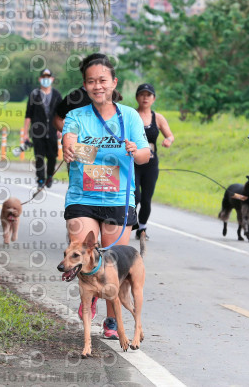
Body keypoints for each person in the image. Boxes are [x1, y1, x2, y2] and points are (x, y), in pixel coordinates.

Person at [62, 54, 150, 339]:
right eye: (91, 81)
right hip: (82, 198)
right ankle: (90, 294)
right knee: (85, 252)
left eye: (102, 80)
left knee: (112, 265)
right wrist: (71, 148)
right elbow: (70, 143)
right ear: (85, 86)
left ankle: (112, 321)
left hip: (118, 200)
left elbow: (145, 156)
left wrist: (133, 150)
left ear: (113, 82)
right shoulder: (77, 116)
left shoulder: (130, 116)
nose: (97, 86)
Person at [133, 83, 175, 240]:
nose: (145, 98)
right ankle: (130, 221)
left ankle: (142, 228)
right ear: (137, 97)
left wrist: (168, 141)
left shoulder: (158, 118)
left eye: (148, 95)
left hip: (150, 164)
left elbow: (170, 135)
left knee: (146, 198)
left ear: (153, 98)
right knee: (135, 196)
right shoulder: (131, 115)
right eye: (142, 94)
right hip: (134, 162)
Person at [23, 68, 62, 188]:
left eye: (48, 78)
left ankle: (49, 176)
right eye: (44, 78)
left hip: (52, 130)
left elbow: (61, 114)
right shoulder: (34, 95)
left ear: (52, 79)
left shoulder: (56, 95)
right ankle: (40, 179)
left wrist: (61, 129)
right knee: (39, 156)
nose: (46, 80)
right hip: (37, 131)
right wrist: (25, 133)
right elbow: (28, 115)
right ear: (40, 79)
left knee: (52, 156)